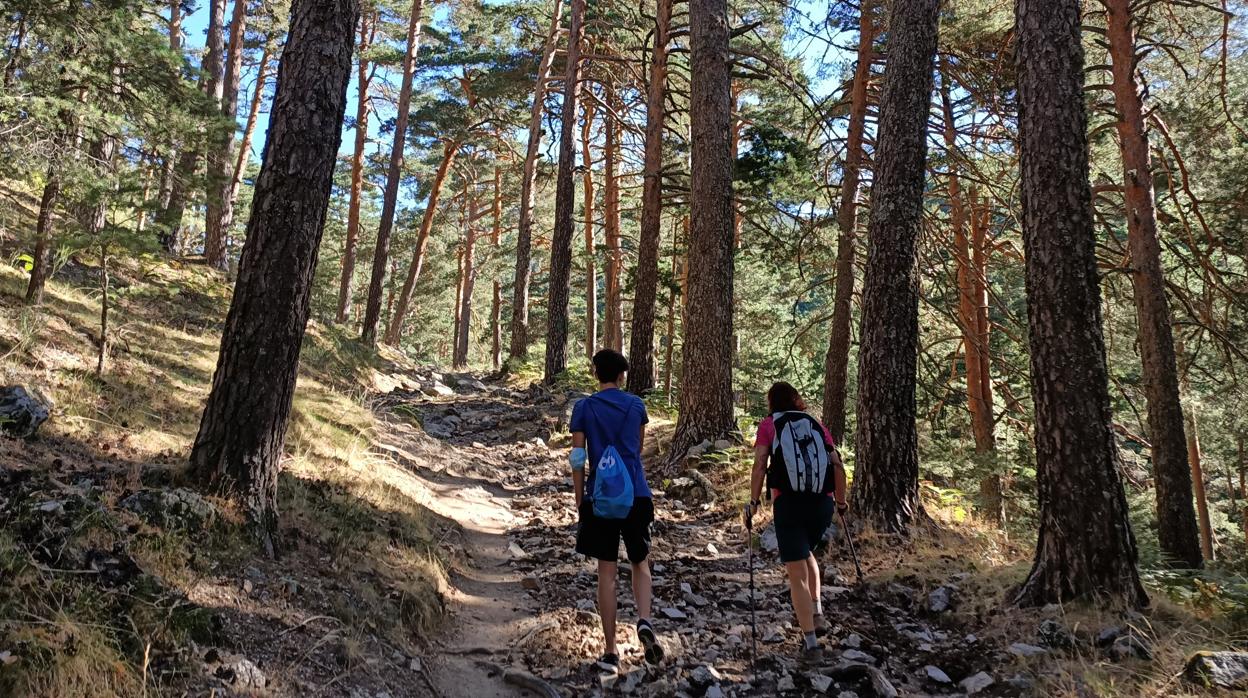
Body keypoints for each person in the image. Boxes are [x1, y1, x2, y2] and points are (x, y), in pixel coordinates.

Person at [569, 349, 664, 672]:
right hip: (636, 493)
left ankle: (610, 651)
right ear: (622, 375)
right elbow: (637, 449)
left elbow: (578, 457)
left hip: (600, 496)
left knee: (606, 574)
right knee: (640, 562)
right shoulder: (636, 406)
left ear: (596, 374)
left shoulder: (583, 407)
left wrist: (580, 495)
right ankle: (644, 619)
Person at [744, 381, 848, 664]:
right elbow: (837, 463)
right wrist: (840, 502)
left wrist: (754, 502)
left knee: (796, 572)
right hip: (822, 504)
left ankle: (811, 643)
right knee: (806, 553)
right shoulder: (814, 424)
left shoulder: (769, 425)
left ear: (771, 402)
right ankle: (818, 612)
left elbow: (760, 462)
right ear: (797, 400)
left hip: (788, 503)